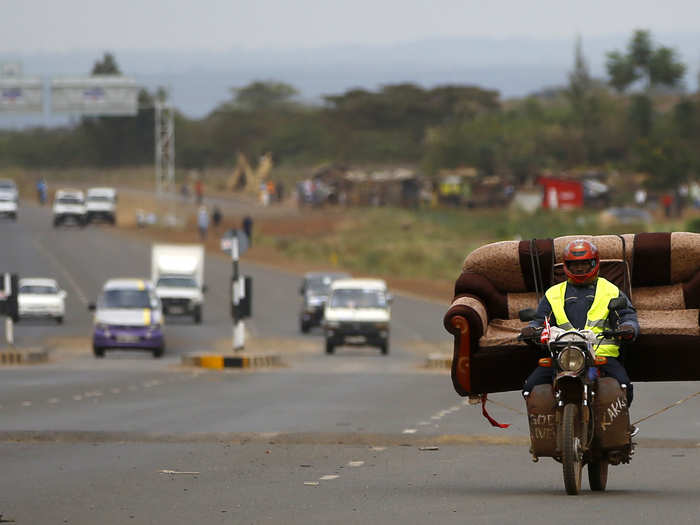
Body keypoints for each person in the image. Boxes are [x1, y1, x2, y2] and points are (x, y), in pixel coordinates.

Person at [520, 239, 640, 436]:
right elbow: (539, 321)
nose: (580, 268)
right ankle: (547, 428)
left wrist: (628, 327)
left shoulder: (610, 290)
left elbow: (627, 315)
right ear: (566, 267)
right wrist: (530, 329)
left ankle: (621, 424)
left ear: (595, 264)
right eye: (575, 265)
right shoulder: (553, 294)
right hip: (562, 358)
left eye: (585, 263)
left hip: (599, 358)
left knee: (624, 385)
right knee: (529, 387)